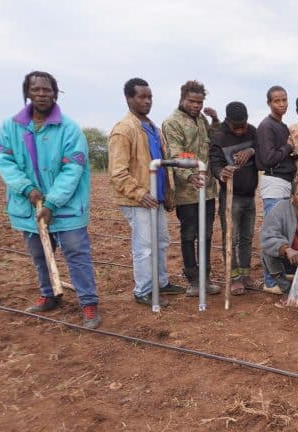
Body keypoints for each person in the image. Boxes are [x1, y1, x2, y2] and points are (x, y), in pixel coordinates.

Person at [0, 71, 101, 328]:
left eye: (47, 90)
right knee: (39, 254)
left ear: (55, 93)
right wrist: (27, 189)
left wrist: (52, 202)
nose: (42, 94)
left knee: (77, 254)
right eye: (36, 89)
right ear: (27, 93)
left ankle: (88, 304)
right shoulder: (11, 127)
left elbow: (72, 169)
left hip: (67, 207)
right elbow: (4, 161)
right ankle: (49, 294)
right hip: (28, 206)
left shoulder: (69, 129)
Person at [109, 78, 185, 307]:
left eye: (149, 96)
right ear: (129, 98)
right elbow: (117, 172)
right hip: (139, 200)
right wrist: (140, 193)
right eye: (141, 97)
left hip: (157, 198)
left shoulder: (153, 128)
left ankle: (161, 283)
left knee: (161, 242)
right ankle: (143, 290)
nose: (147, 101)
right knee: (144, 247)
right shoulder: (123, 130)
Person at [162, 80, 221, 296]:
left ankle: (205, 277)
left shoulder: (202, 120)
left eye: (200, 102)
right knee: (189, 234)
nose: (196, 105)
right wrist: (190, 175)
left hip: (208, 189)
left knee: (206, 234)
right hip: (187, 191)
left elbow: (213, 141)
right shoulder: (172, 123)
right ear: (182, 98)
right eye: (192, 101)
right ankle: (193, 280)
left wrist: (215, 120)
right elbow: (174, 155)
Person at [209, 101, 258, 295]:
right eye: (236, 127)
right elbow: (214, 164)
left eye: (243, 126)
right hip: (231, 197)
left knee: (246, 238)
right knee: (231, 238)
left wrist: (251, 150)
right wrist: (222, 172)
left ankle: (245, 274)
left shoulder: (252, 131)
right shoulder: (219, 137)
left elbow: (260, 148)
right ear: (227, 121)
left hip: (249, 196)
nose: (240, 131)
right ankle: (234, 277)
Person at [256, 85, 296, 292]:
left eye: (284, 100)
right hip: (274, 183)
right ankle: (270, 281)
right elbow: (268, 158)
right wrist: (289, 147)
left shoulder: (282, 126)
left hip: (284, 182)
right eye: (277, 101)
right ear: (269, 103)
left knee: (283, 230)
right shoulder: (267, 126)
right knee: (273, 232)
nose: (282, 104)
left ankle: (280, 275)